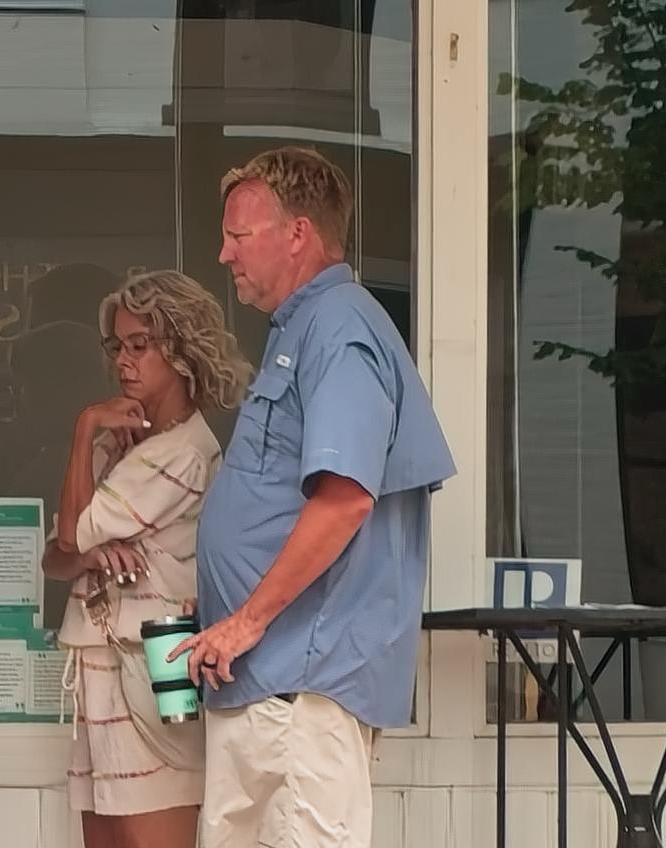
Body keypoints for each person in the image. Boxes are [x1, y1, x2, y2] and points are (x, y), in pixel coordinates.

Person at [170, 146, 456, 847]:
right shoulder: (307, 327)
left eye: (238, 236)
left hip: (298, 688)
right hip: (269, 684)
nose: (224, 254)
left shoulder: (340, 328)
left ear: (297, 233)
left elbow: (345, 497)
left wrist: (246, 620)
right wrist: (225, 607)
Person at [41, 270, 251, 848]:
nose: (123, 361)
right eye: (117, 346)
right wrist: (88, 554)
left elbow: (71, 533)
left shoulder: (183, 452)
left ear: (182, 351)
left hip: (149, 668)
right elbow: (56, 558)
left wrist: (84, 427)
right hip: (102, 665)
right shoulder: (122, 441)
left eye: (140, 345)